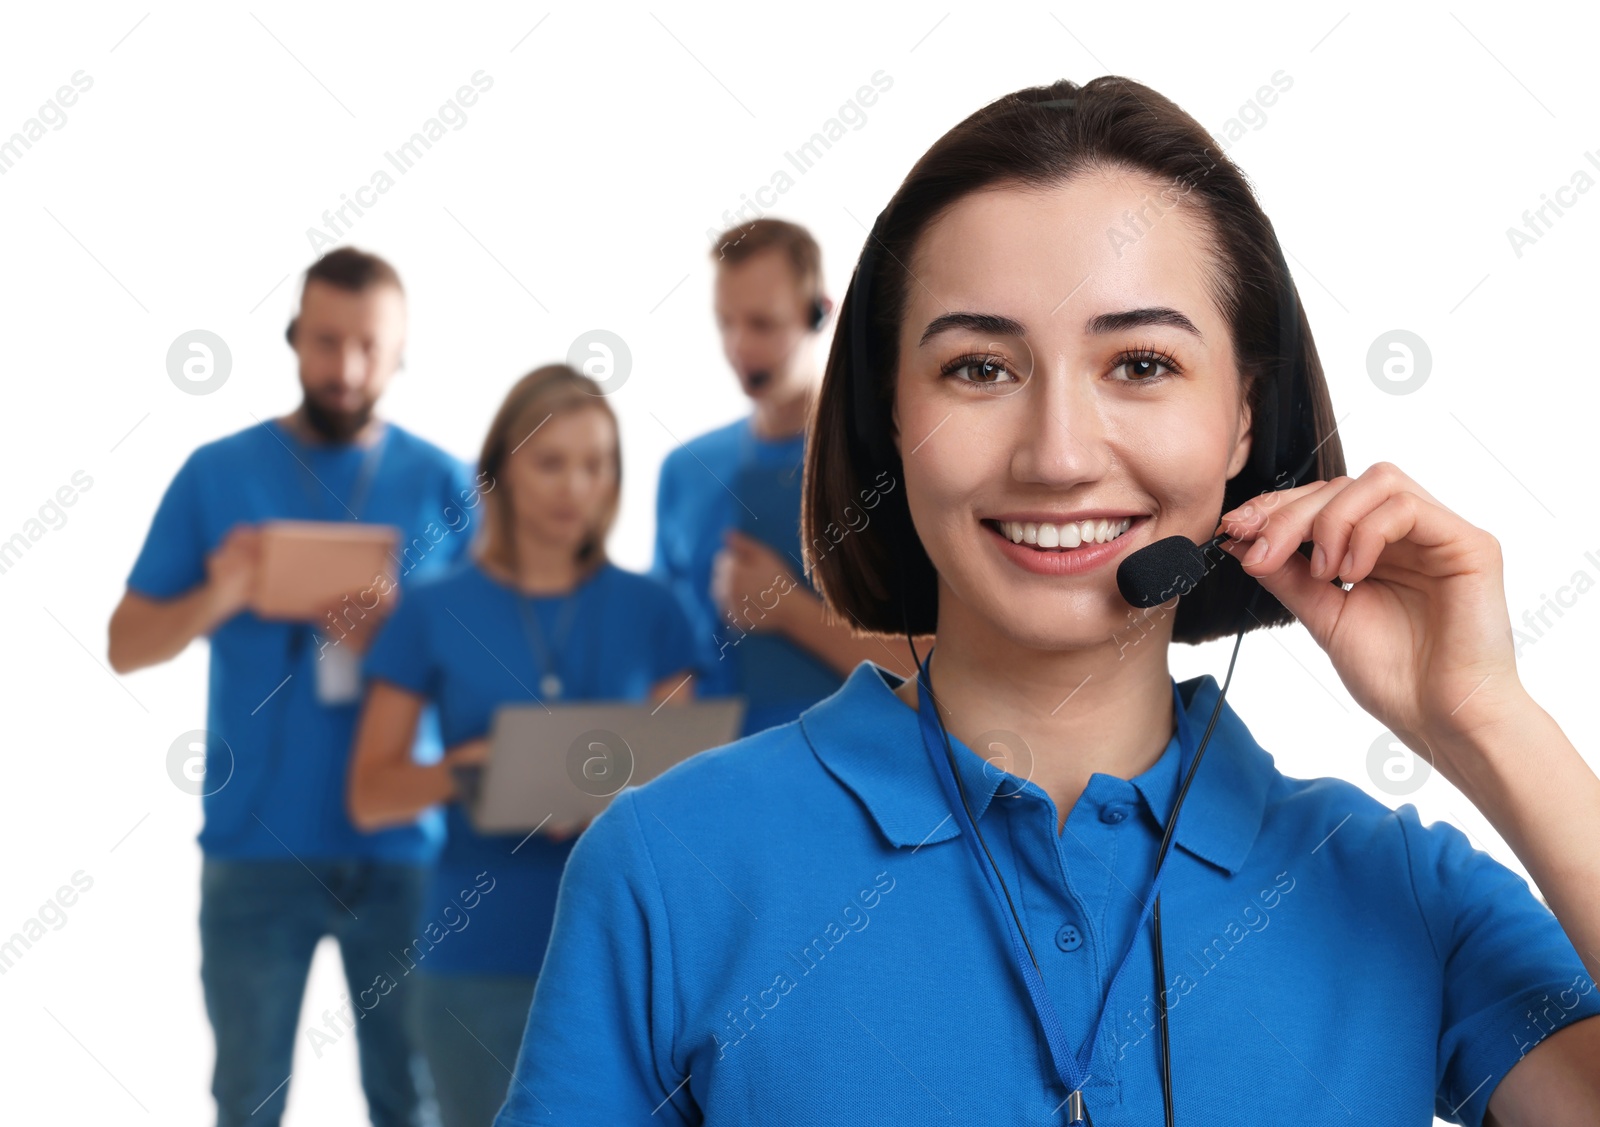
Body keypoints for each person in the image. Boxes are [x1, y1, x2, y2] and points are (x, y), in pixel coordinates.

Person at [491, 76, 1600, 1124]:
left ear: (1245, 421)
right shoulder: (668, 867)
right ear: (890, 419)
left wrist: (1488, 718)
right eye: (979, 368)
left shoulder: (1396, 885)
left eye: (1141, 365)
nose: (1060, 455)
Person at [109, 247, 479, 1127]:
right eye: (325, 342)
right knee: (246, 1100)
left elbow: (494, 682)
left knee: (414, 1098)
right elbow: (127, 644)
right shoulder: (216, 474)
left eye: (367, 345)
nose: (346, 369)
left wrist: (400, 638)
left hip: (405, 852)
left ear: (401, 352)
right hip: (253, 850)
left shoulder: (445, 486)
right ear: (292, 339)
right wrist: (223, 591)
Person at [348, 364, 702, 1127]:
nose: (575, 485)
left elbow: (690, 784)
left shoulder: (655, 610)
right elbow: (372, 792)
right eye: (550, 462)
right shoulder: (431, 610)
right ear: (499, 471)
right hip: (476, 964)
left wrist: (606, 803)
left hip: (625, 965)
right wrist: (471, 771)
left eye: (595, 463)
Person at [652, 217, 931, 737]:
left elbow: (944, 671)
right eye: (725, 322)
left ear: (819, 314)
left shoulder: (889, 462)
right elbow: (664, 660)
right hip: (714, 777)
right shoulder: (685, 470)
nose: (739, 348)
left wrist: (787, 610)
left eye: (762, 324)